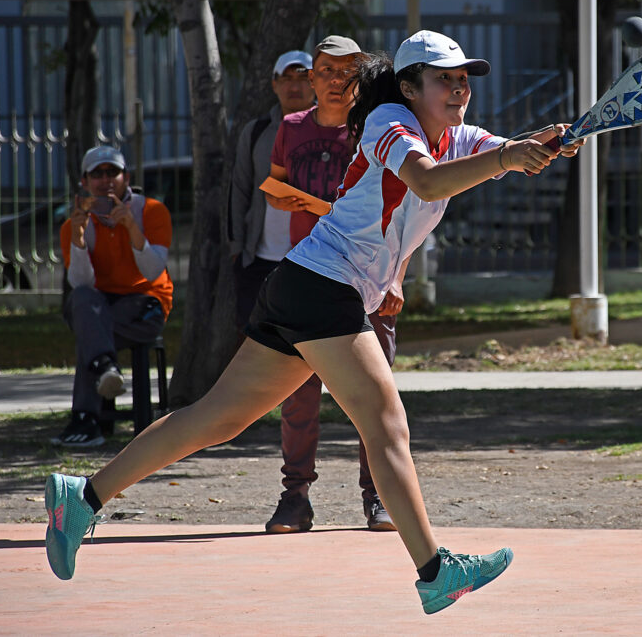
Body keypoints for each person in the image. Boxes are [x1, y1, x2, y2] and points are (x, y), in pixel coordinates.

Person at [43, 30, 582, 614]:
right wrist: (509, 157)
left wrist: (540, 146)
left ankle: (83, 497)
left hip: (303, 285)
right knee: (386, 425)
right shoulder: (388, 124)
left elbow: (498, 153)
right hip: (325, 286)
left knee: (214, 420)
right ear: (408, 87)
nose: (458, 88)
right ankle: (434, 571)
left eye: (463, 79)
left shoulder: (462, 137)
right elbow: (427, 180)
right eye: (443, 78)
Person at [262, 35, 403, 534]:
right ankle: (294, 498)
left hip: (367, 282)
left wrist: (398, 277)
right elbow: (277, 182)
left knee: (373, 399)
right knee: (297, 398)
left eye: (348, 70)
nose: (335, 80)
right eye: (324, 70)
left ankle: (379, 499)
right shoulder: (292, 127)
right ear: (311, 77)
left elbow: (406, 209)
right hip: (310, 276)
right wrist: (288, 201)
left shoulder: (381, 126)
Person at [52, 145, 174, 448]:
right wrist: (79, 238)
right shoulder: (73, 226)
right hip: (100, 305)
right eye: (97, 174)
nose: (106, 181)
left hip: (145, 304)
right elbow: (82, 282)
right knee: (81, 302)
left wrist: (131, 226)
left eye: (112, 172)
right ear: (85, 181)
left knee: (90, 329)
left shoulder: (152, 212)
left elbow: (152, 270)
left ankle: (85, 419)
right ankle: (105, 368)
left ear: (126, 177)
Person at [228, 49, 314, 330]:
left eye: (302, 78)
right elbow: (239, 189)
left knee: (309, 341)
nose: (294, 86)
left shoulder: (334, 130)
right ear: (274, 84)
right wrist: (238, 248)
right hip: (261, 257)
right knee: (255, 336)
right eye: (286, 78)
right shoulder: (256, 131)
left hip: (313, 257)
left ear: (315, 83)